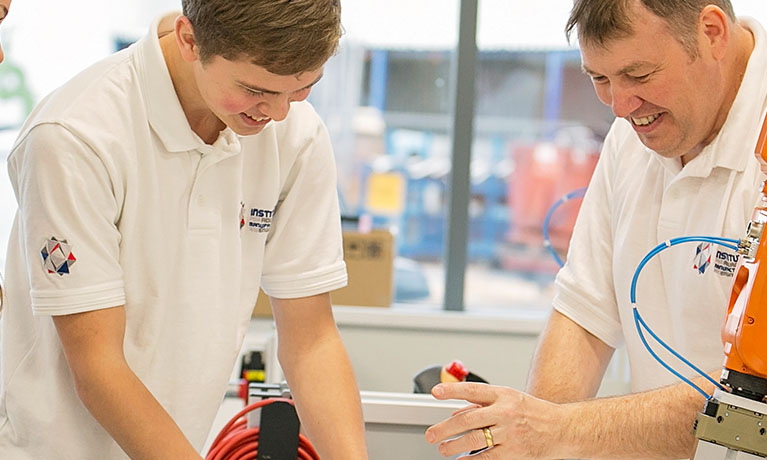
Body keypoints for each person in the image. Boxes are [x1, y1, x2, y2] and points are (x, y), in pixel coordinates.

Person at [0, 1, 368, 459]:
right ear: (190, 39)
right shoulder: (75, 135)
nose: (275, 112)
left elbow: (311, 341)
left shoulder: (297, 135)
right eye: (255, 89)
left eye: (300, 89)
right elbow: (98, 368)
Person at [426, 0, 766, 458]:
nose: (620, 107)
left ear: (711, 32)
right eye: (600, 79)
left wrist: (558, 429)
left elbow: (751, 410)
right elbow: (583, 315)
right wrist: (531, 438)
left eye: (640, 75)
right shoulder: (633, 136)